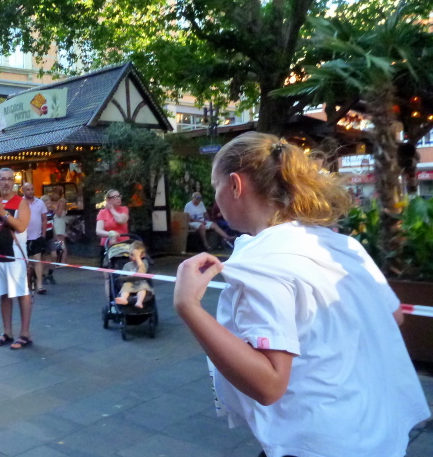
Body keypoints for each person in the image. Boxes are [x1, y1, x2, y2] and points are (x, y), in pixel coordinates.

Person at [173, 132, 430, 457]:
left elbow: (269, 385)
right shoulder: (343, 245)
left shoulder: (260, 261)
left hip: (316, 442)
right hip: (377, 432)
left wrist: (189, 307)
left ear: (235, 185)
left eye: (216, 186)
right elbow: (394, 315)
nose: (216, 199)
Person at [0, 168, 32, 350]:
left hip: (15, 254)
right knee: (4, 294)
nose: (6, 182)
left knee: (21, 292)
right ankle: (7, 332)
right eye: (2, 179)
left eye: (9, 179)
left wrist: (3, 212)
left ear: (14, 182)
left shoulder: (21, 202)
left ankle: (25, 334)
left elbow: (21, 226)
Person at [96, 189, 129, 296]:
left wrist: (112, 210)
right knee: (108, 277)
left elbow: (121, 220)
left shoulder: (124, 209)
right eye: (114, 197)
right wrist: (110, 233)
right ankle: (111, 301)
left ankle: (124, 298)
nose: (118, 198)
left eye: (119, 196)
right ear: (108, 200)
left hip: (123, 247)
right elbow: (98, 231)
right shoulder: (102, 213)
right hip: (107, 246)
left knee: (123, 275)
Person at [23, 183, 48, 295]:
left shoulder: (40, 202)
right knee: (26, 262)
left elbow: (44, 219)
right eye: (28, 189)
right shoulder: (20, 203)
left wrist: (43, 234)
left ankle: (40, 285)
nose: (30, 191)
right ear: (23, 191)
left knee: (37, 260)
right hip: (24, 237)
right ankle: (26, 284)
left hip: (37, 236)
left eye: (32, 189)